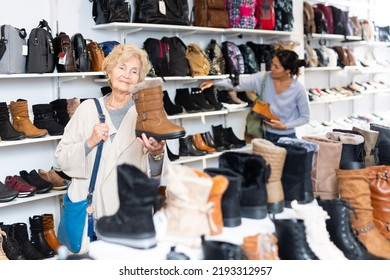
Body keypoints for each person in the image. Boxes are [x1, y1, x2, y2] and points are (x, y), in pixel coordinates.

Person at [54, 44, 168, 219]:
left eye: (134, 71)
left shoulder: (148, 113)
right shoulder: (87, 109)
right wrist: (89, 142)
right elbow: (61, 159)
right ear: (109, 72)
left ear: (139, 79)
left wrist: (157, 153)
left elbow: (159, 174)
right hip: (91, 208)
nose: (127, 75)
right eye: (121, 67)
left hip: (130, 209)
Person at [200, 49, 310, 143]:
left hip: (288, 138)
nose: (271, 68)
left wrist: (285, 126)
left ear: (288, 70)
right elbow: (240, 83)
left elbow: (305, 118)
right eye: (272, 63)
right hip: (263, 136)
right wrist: (215, 81)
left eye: (276, 67)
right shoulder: (264, 78)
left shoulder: (298, 89)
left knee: (286, 168)